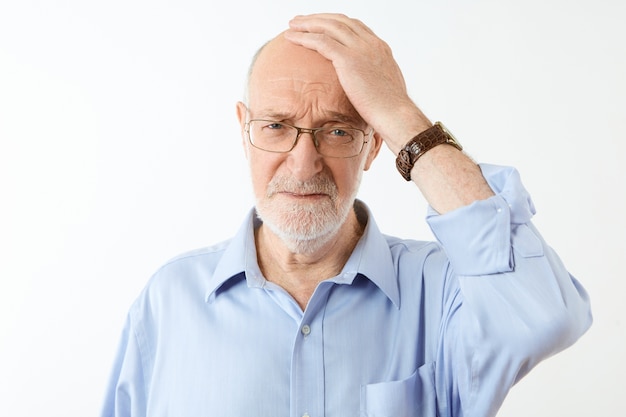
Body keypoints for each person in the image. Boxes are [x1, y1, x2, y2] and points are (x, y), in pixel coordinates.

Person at [101, 13, 592, 417]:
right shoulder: (167, 302)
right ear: (243, 128)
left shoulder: (444, 292)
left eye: (336, 131)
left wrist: (399, 113)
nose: (303, 162)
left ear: (374, 144)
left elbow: (546, 316)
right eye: (275, 126)